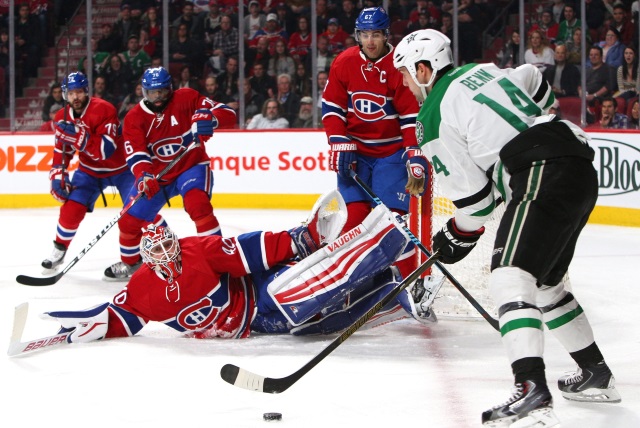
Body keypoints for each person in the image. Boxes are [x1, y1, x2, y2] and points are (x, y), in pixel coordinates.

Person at [393, 29, 621, 427]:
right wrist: (538, 121)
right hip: (576, 161)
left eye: (408, 76)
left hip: (539, 170)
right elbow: (533, 77)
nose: (407, 85)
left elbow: (477, 205)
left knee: (509, 278)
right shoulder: (482, 71)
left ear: (424, 69)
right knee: (546, 283)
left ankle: (531, 389)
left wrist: (454, 236)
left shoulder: (432, 115)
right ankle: (594, 374)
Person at [40, 191, 439, 344]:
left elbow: (245, 251)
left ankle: (385, 238)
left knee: (288, 295)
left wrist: (296, 241)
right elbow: (122, 316)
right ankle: (390, 291)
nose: (168, 253)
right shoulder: (144, 287)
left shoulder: (198, 250)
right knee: (312, 325)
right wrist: (75, 331)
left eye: (169, 244)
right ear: (146, 261)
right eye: (159, 250)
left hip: (260, 293)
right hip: (257, 326)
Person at [321, 7, 425, 281]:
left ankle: (408, 283)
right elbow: (332, 107)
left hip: (391, 154)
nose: (370, 41)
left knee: (393, 226)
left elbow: (409, 116)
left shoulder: (398, 66)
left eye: (376, 34)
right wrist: (337, 139)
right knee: (353, 220)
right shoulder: (344, 62)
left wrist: (413, 152)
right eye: (365, 34)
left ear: (386, 35)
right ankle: (348, 281)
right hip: (354, 153)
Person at [104, 66, 236, 280]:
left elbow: (229, 113)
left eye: (162, 92)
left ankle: (217, 259)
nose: (157, 98)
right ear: (143, 92)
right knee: (128, 220)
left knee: (197, 204)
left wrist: (210, 119)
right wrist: (144, 175)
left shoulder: (187, 98)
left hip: (190, 167)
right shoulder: (134, 118)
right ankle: (131, 263)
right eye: (152, 93)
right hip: (158, 177)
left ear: (171, 89)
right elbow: (136, 154)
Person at [41, 71, 164, 276]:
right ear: (65, 95)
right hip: (89, 173)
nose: (75, 97)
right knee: (70, 209)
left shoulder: (104, 109)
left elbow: (105, 151)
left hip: (122, 169)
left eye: (79, 92)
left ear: (86, 91)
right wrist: (58, 175)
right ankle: (59, 249)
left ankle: (161, 249)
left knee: (141, 211)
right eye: (71, 93)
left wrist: (79, 136)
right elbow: (63, 150)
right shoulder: (61, 117)